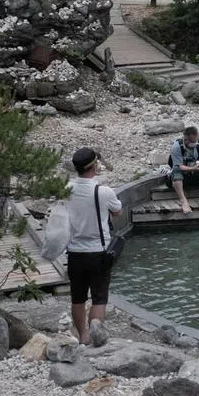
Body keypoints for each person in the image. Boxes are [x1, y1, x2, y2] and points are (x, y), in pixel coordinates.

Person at [64, 147, 122, 347]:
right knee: (99, 298)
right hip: (99, 252)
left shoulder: (65, 189)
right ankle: (96, 339)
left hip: (74, 251)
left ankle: (83, 337)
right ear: (94, 166)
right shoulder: (103, 191)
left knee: (77, 297)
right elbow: (117, 212)